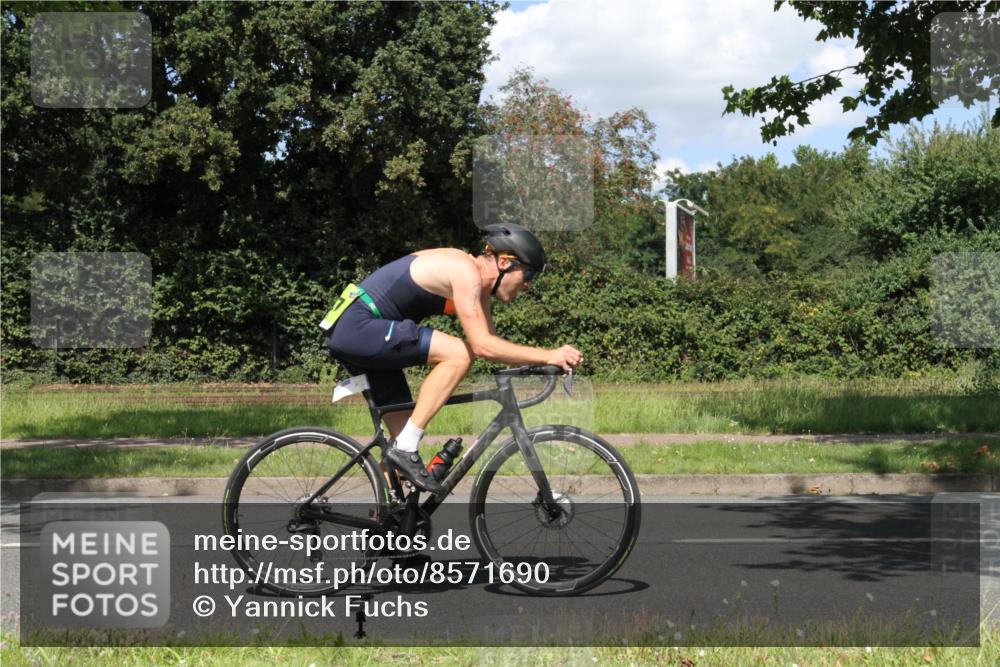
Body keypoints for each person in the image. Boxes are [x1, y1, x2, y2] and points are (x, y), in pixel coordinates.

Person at [321, 223, 583, 494]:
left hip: (365, 332)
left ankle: (388, 525)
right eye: (528, 274)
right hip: (358, 326)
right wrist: (549, 354)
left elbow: (493, 345)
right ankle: (405, 448)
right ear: (504, 262)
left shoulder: (477, 287)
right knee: (459, 355)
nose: (529, 285)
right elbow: (482, 347)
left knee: (400, 455)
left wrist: (544, 362)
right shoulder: (464, 271)